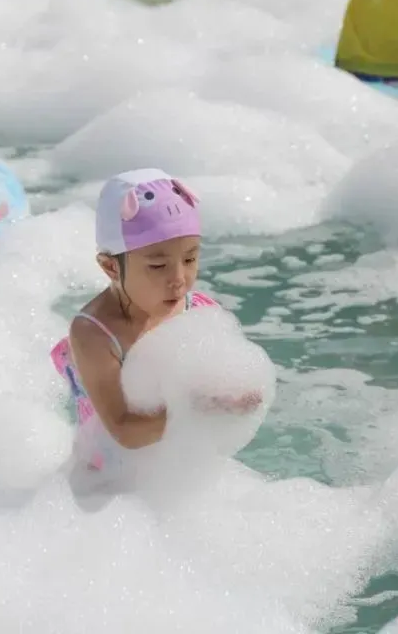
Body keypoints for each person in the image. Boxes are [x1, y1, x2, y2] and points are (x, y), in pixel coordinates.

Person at [49, 169, 261, 478]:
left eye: (189, 260)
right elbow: (123, 430)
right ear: (110, 267)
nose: (179, 279)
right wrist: (195, 411)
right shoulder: (95, 333)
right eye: (158, 265)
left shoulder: (200, 312)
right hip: (106, 478)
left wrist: (238, 402)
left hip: (176, 473)